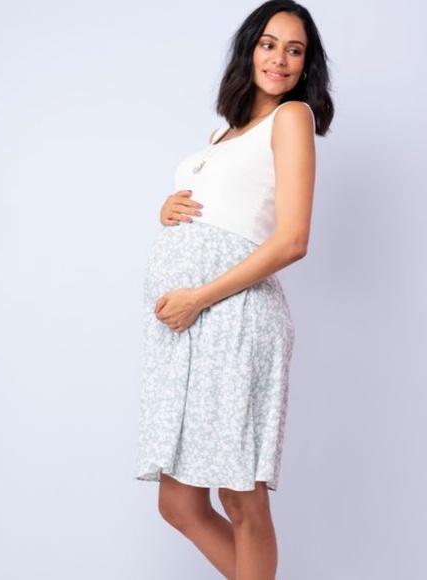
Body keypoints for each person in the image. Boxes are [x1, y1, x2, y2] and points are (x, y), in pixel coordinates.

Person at [135, 1, 334, 578]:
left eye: (294, 50)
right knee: (179, 503)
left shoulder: (291, 117)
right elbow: (229, 203)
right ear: (249, 49)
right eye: (269, 44)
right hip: (189, 334)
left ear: (305, 65)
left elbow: (292, 239)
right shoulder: (223, 133)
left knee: (240, 497)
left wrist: (197, 297)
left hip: (234, 319)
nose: (279, 59)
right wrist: (170, 209)